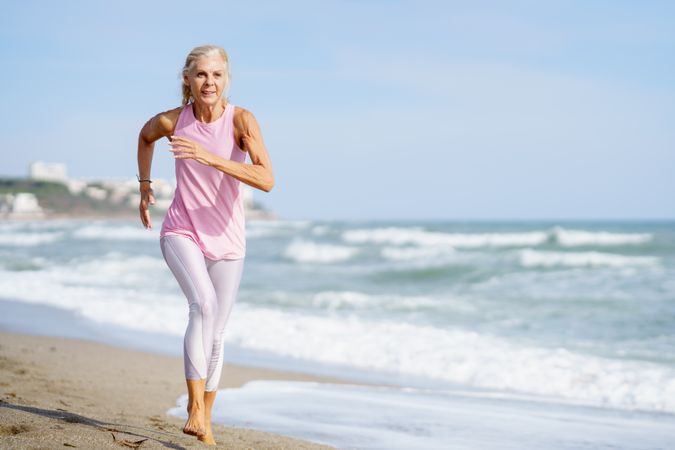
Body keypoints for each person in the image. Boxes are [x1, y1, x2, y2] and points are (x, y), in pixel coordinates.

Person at [136, 44, 274, 445]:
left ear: (225, 78)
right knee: (203, 306)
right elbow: (145, 137)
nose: (208, 82)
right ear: (187, 79)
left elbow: (266, 179)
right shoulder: (174, 120)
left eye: (216, 75)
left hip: (229, 238)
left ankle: (205, 419)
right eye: (201, 75)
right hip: (183, 229)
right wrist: (144, 186)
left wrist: (210, 157)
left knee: (217, 331)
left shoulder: (241, 120)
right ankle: (193, 407)